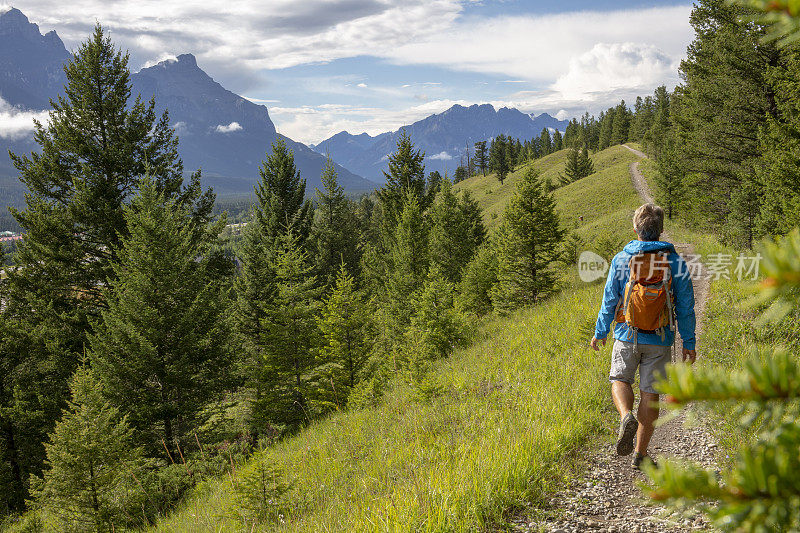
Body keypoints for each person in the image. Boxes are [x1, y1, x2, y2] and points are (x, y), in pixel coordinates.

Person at [590, 203, 696, 470]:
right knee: (651, 395)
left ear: (635, 228)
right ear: (660, 230)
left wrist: (601, 332)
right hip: (660, 339)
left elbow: (609, 300)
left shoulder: (621, 259)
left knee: (619, 379)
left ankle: (626, 416)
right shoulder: (675, 262)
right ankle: (640, 454)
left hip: (627, 334)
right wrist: (689, 343)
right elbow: (685, 306)